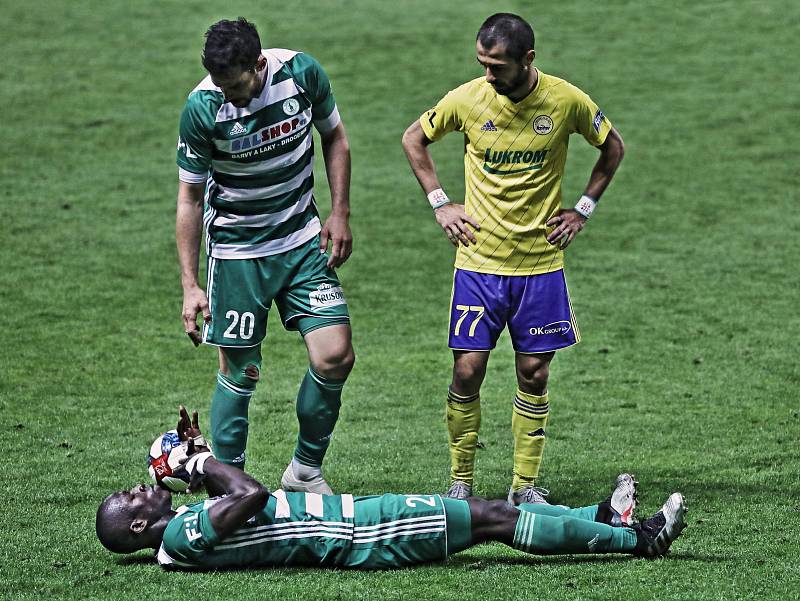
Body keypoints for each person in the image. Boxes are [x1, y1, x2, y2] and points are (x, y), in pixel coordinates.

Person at [401, 13, 626, 504]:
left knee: (535, 373)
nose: (488, 75)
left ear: (528, 60)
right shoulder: (466, 99)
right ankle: (461, 482)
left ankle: (525, 486)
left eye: (497, 66)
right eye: (482, 63)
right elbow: (413, 138)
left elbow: (612, 148)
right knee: (467, 369)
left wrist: (582, 210)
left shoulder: (567, 102)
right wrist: (441, 203)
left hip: (540, 265)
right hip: (479, 263)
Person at [96, 409, 687, 569]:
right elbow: (248, 495)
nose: (137, 490)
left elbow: (237, 503)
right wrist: (198, 466)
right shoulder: (181, 532)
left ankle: (602, 515)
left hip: (358, 527)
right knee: (490, 518)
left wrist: (198, 460)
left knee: (487, 515)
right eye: (130, 500)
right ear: (139, 528)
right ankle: (637, 540)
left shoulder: (182, 536)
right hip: (362, 533)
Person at [176, 18, 355, 494]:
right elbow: (190, 199)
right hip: (237, 253)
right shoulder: (203, 108)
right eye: (221, 86)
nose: (230, 96)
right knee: (240, 370)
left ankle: (304, 473)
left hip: (301, 241)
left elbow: (334, 137)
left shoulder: (301, 75)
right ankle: (228, 489)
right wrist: (191, 285)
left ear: (259, 64)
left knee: (335, 356)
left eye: (236, 86)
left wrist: (339, 213)